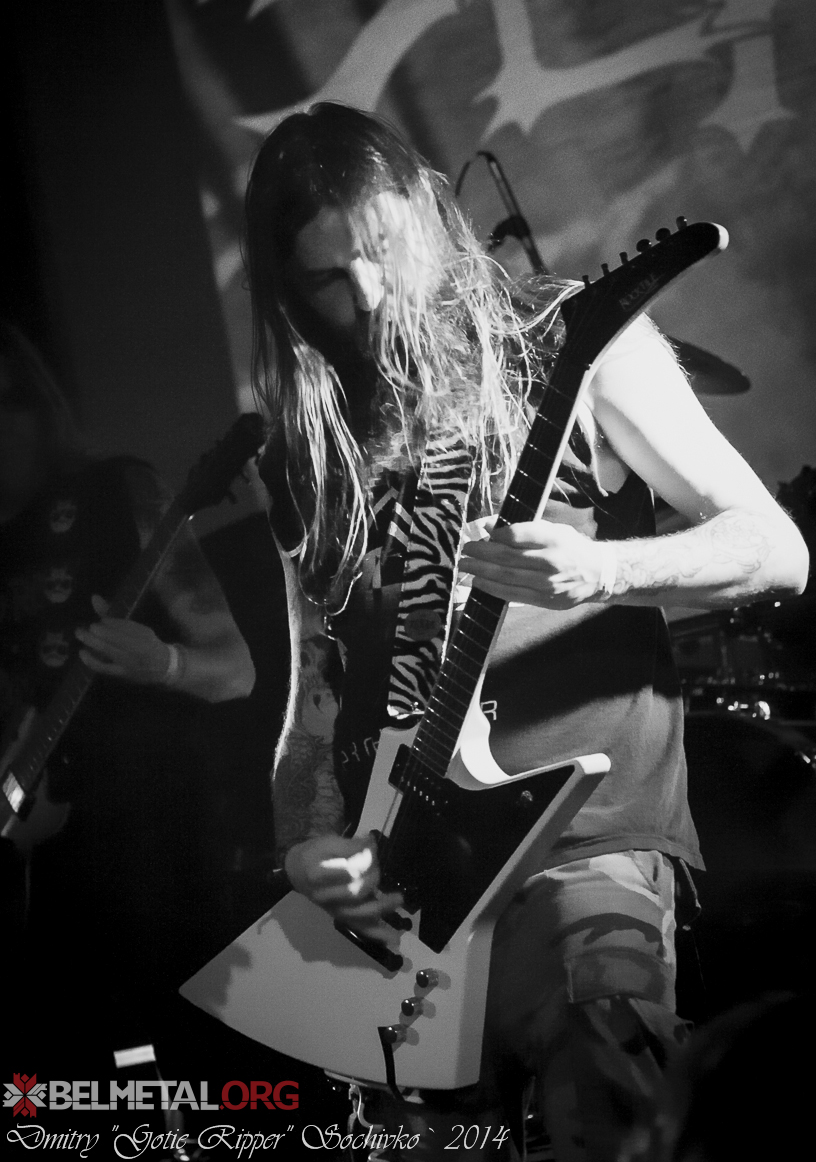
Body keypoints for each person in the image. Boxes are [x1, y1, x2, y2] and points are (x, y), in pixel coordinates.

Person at [243, 102, 808, 1161]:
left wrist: (606, 567)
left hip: (580, 840)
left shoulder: (569, 340)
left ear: (424, 212)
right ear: (288, 293)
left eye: (378, 252)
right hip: (400, 884)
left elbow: (775, 547)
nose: (367, 297)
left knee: (605, 1111)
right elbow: (312, 692)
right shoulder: (307, 449)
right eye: (326, 279)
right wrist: (304, 846)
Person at [1, 321, 256, 1065]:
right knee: (88, 1072)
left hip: (159, 839)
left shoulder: (118, 492)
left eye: (8, 406)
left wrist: (164, 664)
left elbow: (237, 668)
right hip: (49, 871)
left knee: (190, 1056)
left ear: (38, 408)